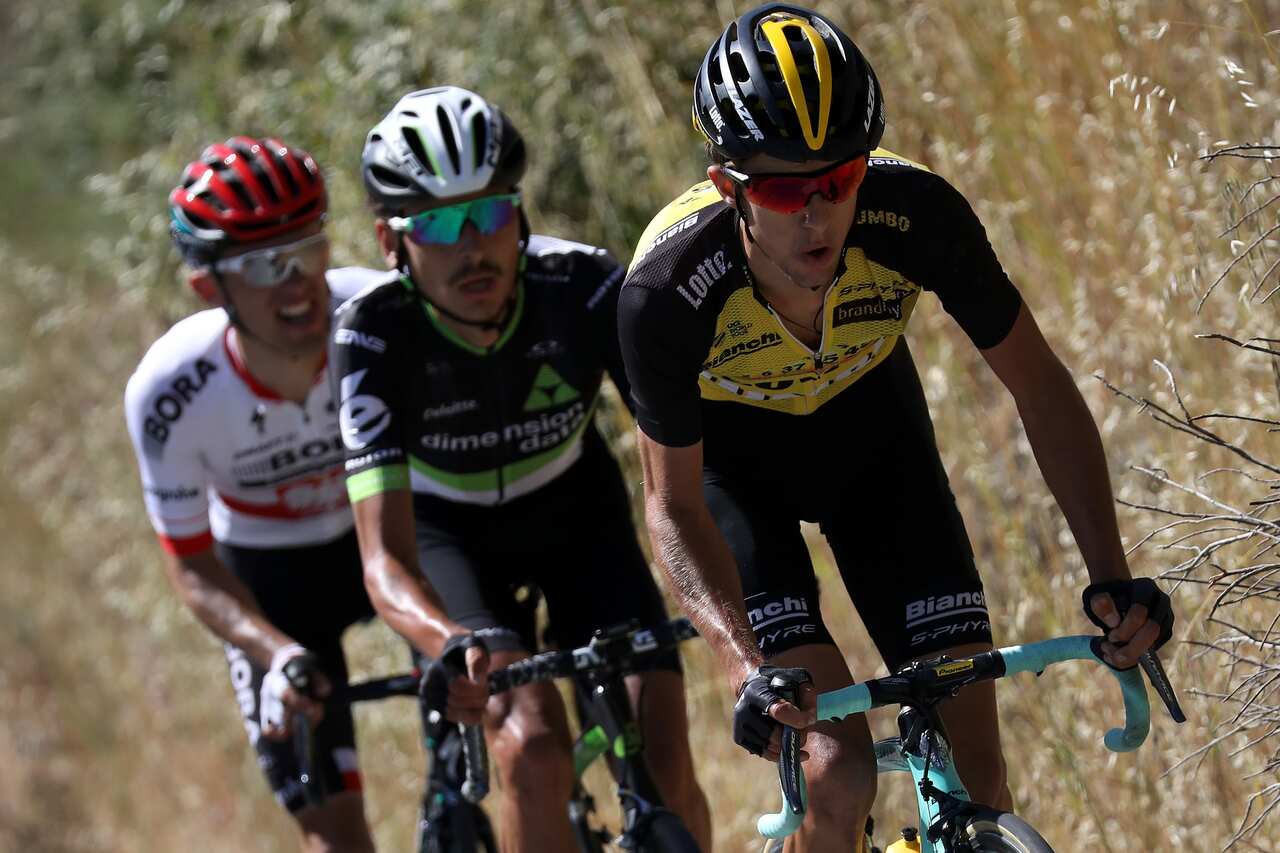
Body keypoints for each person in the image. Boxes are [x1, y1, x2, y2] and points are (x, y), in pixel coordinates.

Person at [617, 4, 1176, 851]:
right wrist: (743, 666)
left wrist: (1112, 576)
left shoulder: (914, 212)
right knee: (836, 768)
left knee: (976, 772)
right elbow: (673, 505)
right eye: (780, 189)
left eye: (838, 180)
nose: (816, 214)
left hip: (873, 449)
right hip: (737, 475)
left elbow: (1040, 387)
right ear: (730, 186)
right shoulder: (667, 287)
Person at [330, 86, 712, 852]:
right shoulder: (371, 336)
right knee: (534, 748)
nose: (472, 246)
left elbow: (685, 448)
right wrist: (442, 638)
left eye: (491, 213)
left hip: (577, 514)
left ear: (520, 215)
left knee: (663, 758)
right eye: (437, 223)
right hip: (451, 538)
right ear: (389, 242)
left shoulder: (583, 285)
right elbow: (382, 560)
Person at [125, 137, 381, 852]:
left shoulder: (379, 314)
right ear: (209, 287)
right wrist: (274, 651)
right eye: (264, 266)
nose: (296, 283)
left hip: (390, 539)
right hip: (271, 577)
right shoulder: (170, 390)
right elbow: (192, 566)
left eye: (306, 250)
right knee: (334, 836)